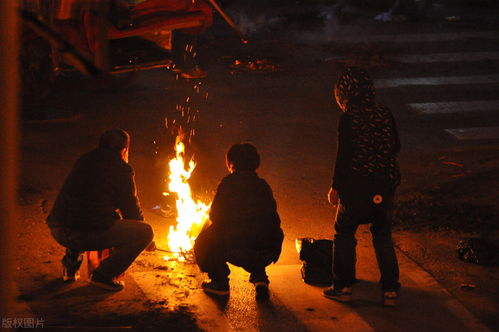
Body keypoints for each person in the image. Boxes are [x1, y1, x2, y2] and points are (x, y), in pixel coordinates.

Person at [323, 67, 401, 307]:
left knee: (344, 232)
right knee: (382, 236)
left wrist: (335, 187)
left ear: (345, 93)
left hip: (357, 187)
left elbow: (344, 156)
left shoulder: (349, 118)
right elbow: (395, 145)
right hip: (385, 185)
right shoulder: (384, 113)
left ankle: (342, 286)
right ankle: (390, 291)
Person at [47, 129, 154, 291]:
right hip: (84, 234)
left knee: (81, 213)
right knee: (144, 232)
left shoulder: (84, 160)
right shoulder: (122, 169)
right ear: (124, 150)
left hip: (58, 228)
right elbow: (131, 209)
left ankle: (70, 267)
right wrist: (147, 240)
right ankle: (103, 276)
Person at [194, 143, 284, 300]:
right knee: (258, 232)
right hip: (268, 250)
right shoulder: (263, 185)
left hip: (237, 249)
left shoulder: (228, 183)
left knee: (205, 237)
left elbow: (215, 215)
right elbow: (272, 219)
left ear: (230, 163)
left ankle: (219, 281)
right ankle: (260, 278)